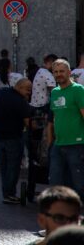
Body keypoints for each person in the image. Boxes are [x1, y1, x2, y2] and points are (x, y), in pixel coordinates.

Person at [47, 59, 84, 200]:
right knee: (54, 182)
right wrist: (51, 143)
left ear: (69, 72)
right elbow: (54, 119)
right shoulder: (55, 92)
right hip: (58, 144)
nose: (59, 74)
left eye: (62, 71)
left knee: (79, 184)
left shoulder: (78, 90)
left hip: (76, 144)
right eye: (55, 72)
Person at [0, 78, 33, 204]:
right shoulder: (20, 101)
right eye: (28, 90)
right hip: (14, 137)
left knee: (4, 166)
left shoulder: (2, 93)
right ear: (20, 87)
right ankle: (10, 194)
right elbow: (28, 122)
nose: (29, 93)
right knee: (13, 167)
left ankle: (6, 193)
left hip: (0, 135)